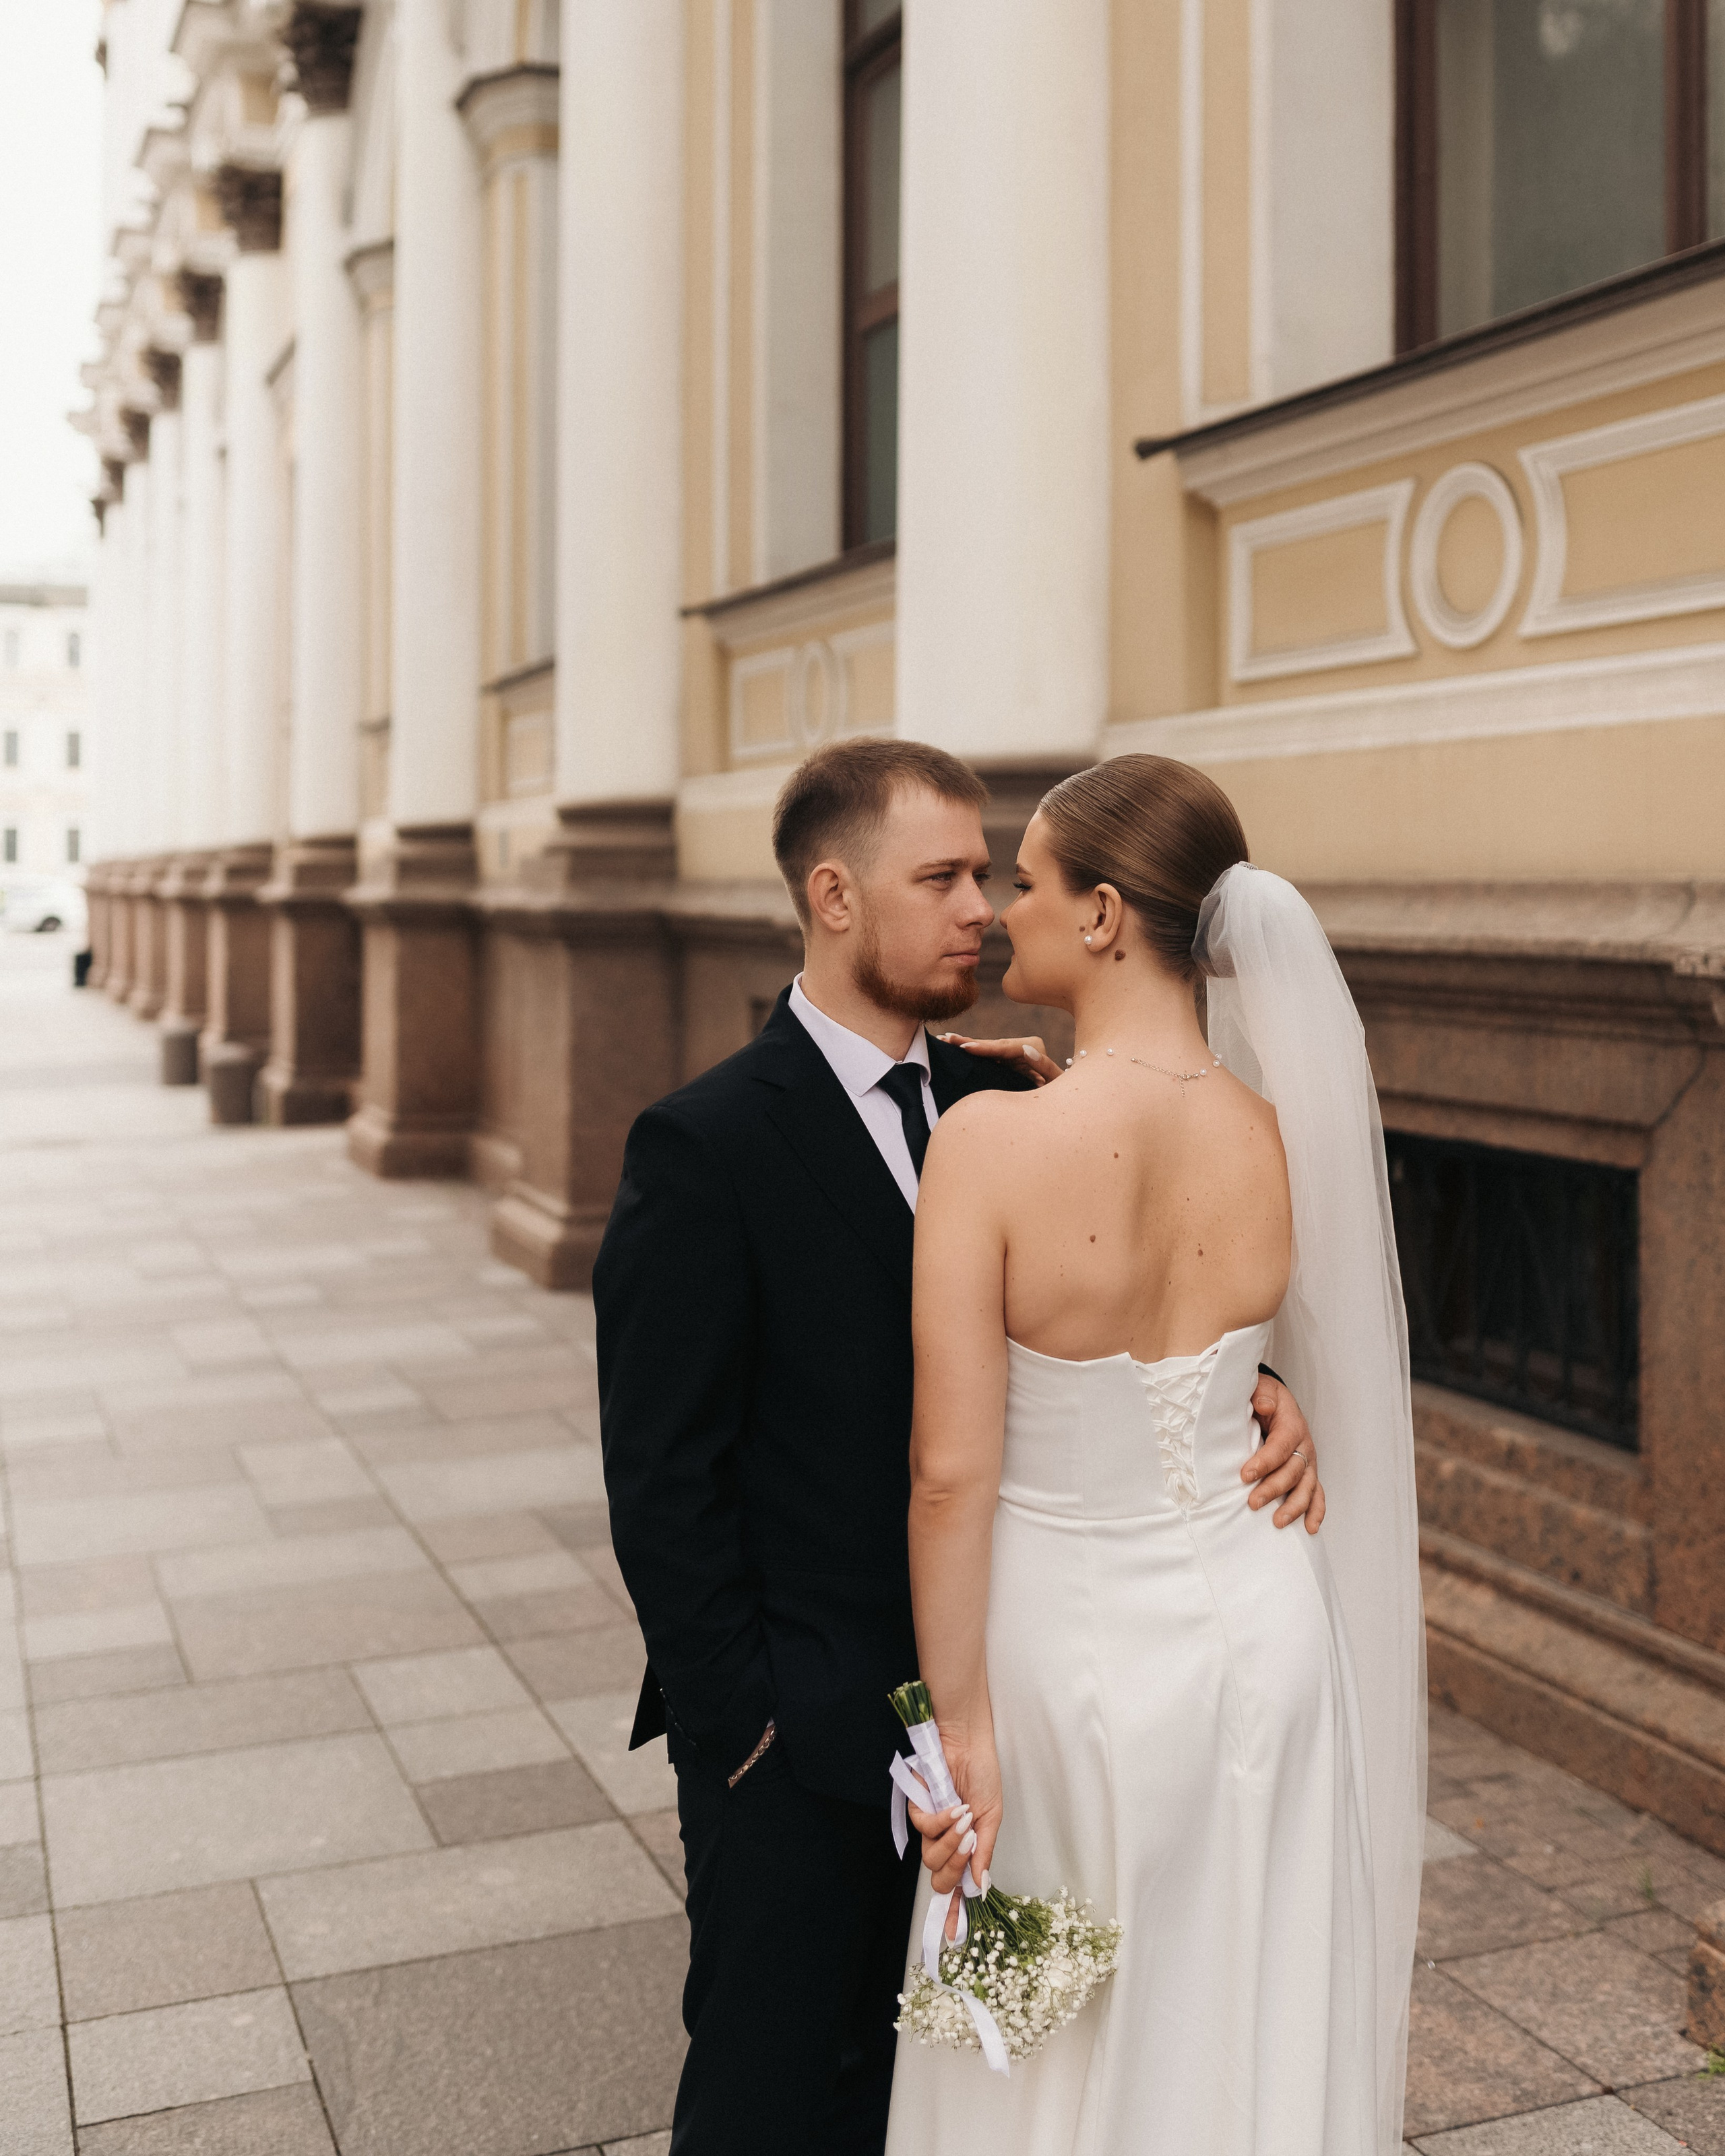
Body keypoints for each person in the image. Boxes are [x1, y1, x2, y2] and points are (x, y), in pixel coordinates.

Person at [595, 740, 1324, 2156]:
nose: (982, 905)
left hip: (1025, 1710)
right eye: (940, 877)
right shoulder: (703, 1144)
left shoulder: (1009, 1097)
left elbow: (1122, 1318)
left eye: (991, 873)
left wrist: (1256, 1388)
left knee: (994, 2086)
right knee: (772, 2096)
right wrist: (740, 1731)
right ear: (833, 896)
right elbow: (659, 1477)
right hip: (801, 1744)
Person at [889, 755, 1424, 2156]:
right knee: (1238, 2002)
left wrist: (958, 1732)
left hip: (1065, 1666)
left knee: (1050, 2033)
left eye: (1025, 881)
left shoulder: (987, 1146)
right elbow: (1264, 1359)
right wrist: (1275, 1398)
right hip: (1265, 1633)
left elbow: (948, 1472)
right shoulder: (1272, 1133)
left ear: (1107, 913)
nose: (1002, 908)